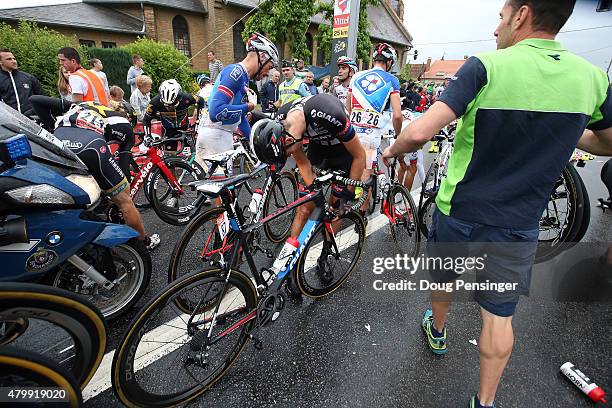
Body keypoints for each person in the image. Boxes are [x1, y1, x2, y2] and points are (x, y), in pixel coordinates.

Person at [382, 1, 612, 407]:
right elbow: (608, 142)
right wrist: (567, 131)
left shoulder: (485, 67)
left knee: (444, 279)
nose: (495, 29)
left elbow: (419, 134)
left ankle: (437, 331)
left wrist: (391, 152)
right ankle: (484, 402)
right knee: (499, 316)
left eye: (501, 18)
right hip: (519, 222)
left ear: (521, 15)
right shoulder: (592, 78)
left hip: (461, 211)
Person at [251, 93, 366, 294]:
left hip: (343, 154)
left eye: (287, 153)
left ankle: (326, 254)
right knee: (305, 209)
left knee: (335, 207)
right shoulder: (284, 122)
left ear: (288, 140)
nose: (288, 157)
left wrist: (348, 194)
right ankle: (290, 264)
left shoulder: (329, 112)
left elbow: (359, 155)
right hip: (317, 152)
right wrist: (313, 190)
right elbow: (301, 159)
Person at [53, 102, 149, 245]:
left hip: (57, 140)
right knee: (124, 200)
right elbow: (124, 165)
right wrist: (120, 188)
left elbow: (38, 100)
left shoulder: (90, 105)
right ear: (129, 117)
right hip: (90, 144)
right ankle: (143, 243)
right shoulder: (125, 124)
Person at [197, 32, 277, 167]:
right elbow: (216, 112)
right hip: (213, 137)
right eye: (269, 67)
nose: (267, 73)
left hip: (222, 136)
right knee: (217, 186)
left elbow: (239, 118)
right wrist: (249, 106)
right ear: (262, 56)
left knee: (228, 187)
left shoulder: (243, 78)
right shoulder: (235, 73)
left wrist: (255, 143)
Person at [346, 43, 402, 217]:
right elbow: (398, 116)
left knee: (349, 169)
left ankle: (341, 203)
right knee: (367, 173)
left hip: (352, 131)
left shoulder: (356, 76)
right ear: (390, 62)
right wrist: (398, 135)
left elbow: (348, 104)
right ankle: (361, 215)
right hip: (371, 133)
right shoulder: (392, 80)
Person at [143, 79, 197, 157]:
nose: (169, 107)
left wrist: (197, 121)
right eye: (166, 104)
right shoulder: (154, 102)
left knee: (190, 159)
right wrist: (148, 135)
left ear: (179, 97)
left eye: (172, 104)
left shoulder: (187, 98)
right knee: (169, 159)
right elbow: (146, 119)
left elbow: (201, 101)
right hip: (168, 132)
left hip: (186, 130)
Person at [0, 48, 45, 117]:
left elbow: (43, 98)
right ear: (1, 62)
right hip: (9, 120)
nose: (14, 61)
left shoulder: (28, 78)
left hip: (32, 120)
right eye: (9, 59)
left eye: (14, 58)